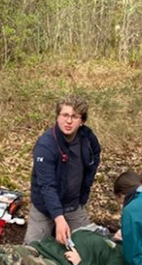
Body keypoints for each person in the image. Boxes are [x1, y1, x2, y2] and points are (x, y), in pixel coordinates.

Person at [24, 95, 101, 245]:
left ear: (82, 121)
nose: (69, 121)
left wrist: (82, 197)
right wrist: (59, 218)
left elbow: (93, 164)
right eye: (65, 115)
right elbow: (47, 186)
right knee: (32, 248)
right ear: (58, 117)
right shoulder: (45, 146)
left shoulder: (88, 139)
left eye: (75, 116)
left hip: (73, 204)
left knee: (89, 245)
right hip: (44, 207)